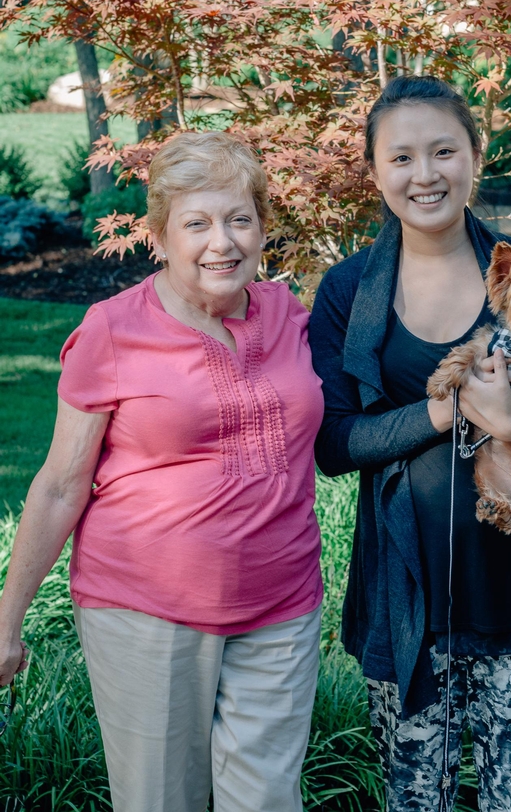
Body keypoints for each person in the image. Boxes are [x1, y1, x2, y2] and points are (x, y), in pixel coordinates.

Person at [308, 76, 511, 812]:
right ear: (374, 169)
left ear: (476, 156)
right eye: (402, 157)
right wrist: (452, 410)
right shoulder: (349, 291)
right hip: (409, 597)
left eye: (444, 150)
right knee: (414, 797)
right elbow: (333, 443)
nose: (425, 174)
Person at [0, 131, 324, 812]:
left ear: (263, 228)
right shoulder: (113, 330)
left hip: (281, 607)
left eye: (240, 219)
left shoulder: (290, 315)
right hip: (147, 614)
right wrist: (7, 621)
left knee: (267, 801)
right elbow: (62, 484)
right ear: (160, 234)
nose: (222, 243)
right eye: (197, 223)